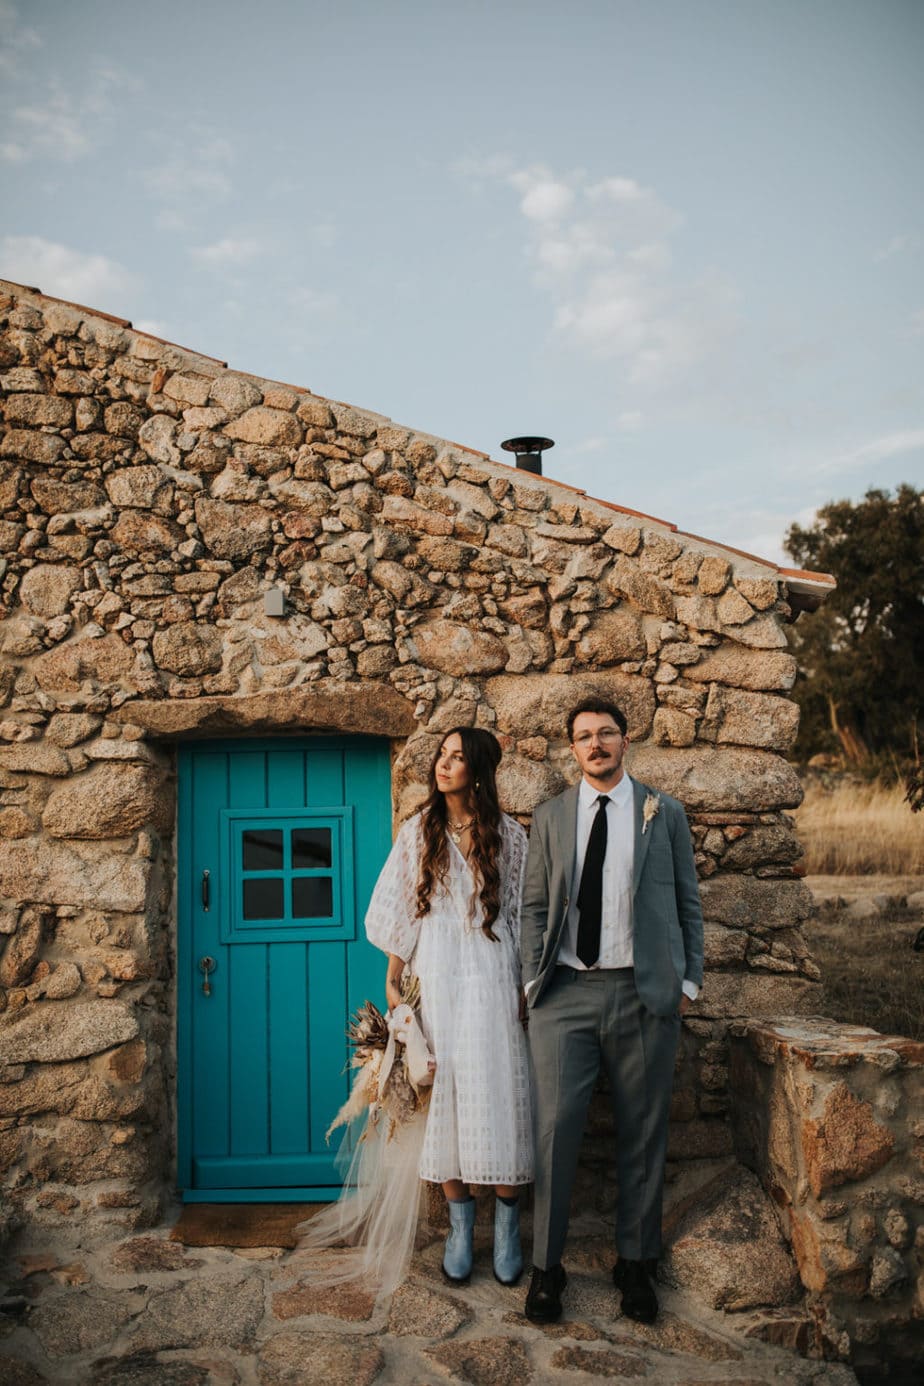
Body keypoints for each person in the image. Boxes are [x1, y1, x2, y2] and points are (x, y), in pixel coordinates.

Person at [304, 726, 532, 1295]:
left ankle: (506, 1232)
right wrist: (393, 978)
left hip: (496, 978)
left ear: (479, 770)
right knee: (445, 1100)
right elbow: (398, 907)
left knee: (501, 1099)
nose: (444, 764)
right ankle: (461, 1232)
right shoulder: (417, 832)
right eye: (442, 755)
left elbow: (529, 914)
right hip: (438, 977)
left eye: (457, 758)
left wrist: (528, 987)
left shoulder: (511, 836)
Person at [520, 697, 703, 1325]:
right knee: (554, 1134)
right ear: (571, 749)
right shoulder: (549, 817)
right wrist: (529, 984)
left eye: (604, 734)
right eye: (582, 737)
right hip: (564, 996)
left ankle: (636, 1264)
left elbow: (688, 904)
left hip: (642, 993)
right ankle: (547, 1267)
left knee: (644, 1134)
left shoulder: (664, 813)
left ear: (626, 741)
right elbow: (534, 909)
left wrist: (690, 983)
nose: (594, 745)